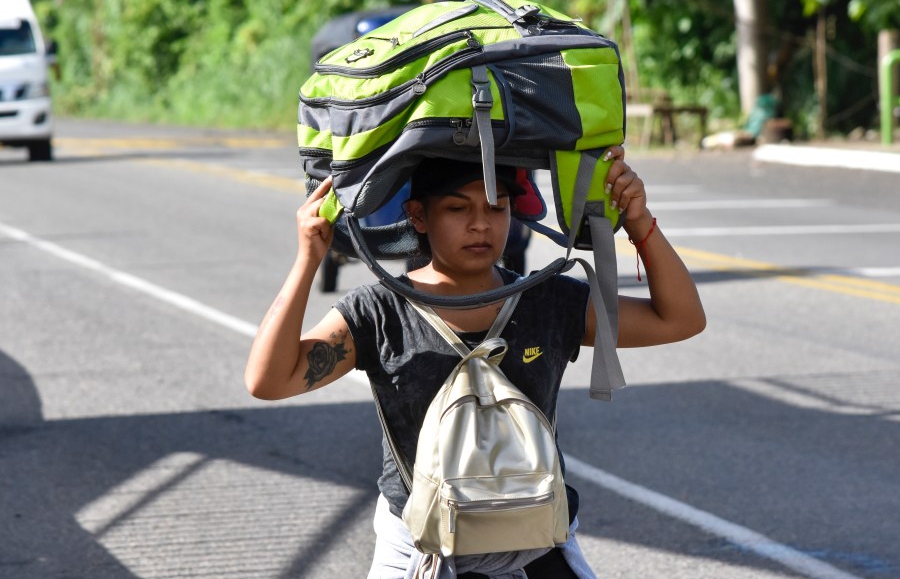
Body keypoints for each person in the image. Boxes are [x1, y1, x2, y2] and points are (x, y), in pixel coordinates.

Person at [244, 147, 706, 578]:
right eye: (457, 208)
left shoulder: (547, 299)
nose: (481, 225)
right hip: (417, 548)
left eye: (496, 207)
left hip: (536, 540)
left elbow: (680, 319)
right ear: (418, 216)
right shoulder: (380, 311)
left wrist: (639, 222)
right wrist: (307, 260)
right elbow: (268, 380)